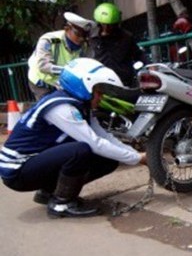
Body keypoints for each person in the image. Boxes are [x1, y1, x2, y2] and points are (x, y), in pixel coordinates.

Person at [0, 58, 147, 218]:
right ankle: (61, 204)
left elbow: (105, 136)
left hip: (33, 163)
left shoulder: (79, 105)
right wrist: (136, 158)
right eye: (98, 92)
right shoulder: (61, 108)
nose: (100, 97)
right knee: (80, 150)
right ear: (83, 87)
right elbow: (95, 143)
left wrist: (136, 154)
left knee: (108, 160)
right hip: (17, 172)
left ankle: (48, 192)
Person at [28, 12, 94, 100]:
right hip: (41, 82)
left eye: (85, 36)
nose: (81, 39)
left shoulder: (83, 47)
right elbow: (43, 66)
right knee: (50, 108)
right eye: (78, 34)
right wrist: (68, 71)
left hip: (62, 83)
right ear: (67, 29)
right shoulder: (49, 40)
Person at [89, 2, 149, 87]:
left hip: (123, 81)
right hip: (100, 81)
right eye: (104, 25)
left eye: (110, 25)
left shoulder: (126, 37)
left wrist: (150, 66)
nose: (107, 28)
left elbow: (138, 54)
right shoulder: (92, 38)